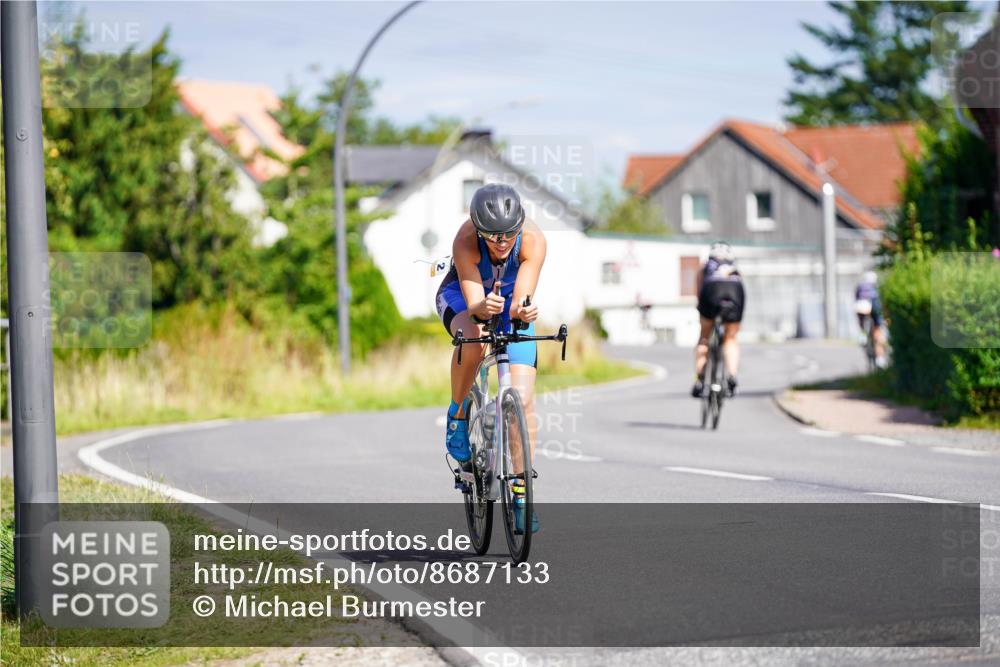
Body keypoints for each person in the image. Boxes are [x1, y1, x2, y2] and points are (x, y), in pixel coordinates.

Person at [435, 183, 545, 534]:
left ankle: (521, 490)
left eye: (508, 234)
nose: (501, 242)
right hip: (464, 296)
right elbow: (474, 304)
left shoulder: (533, 240)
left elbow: (520, 300)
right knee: (475, 338)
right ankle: (458, 412)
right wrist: (482, 309)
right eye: (492, 235)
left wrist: (522, 312)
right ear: (478, 228)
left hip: (509, 298)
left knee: (523, 401)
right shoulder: (465, 239)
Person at [692, 241, 745, 398]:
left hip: (711, 291)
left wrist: (702, 313)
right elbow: (742, 289)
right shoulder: (735, 267)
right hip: (735, 293)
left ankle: (700, 381)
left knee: (704, 339)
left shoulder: (706, 266)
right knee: (730, 339)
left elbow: (699, 292)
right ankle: (732, 378)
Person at [855, 270, 887, 368]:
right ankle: (880, 358)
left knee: (861, 321)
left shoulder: (860, 286)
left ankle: (862, 335)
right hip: (874, 306)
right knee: (877, 328)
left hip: (861, 306)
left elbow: (855, 298)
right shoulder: (876, 286)